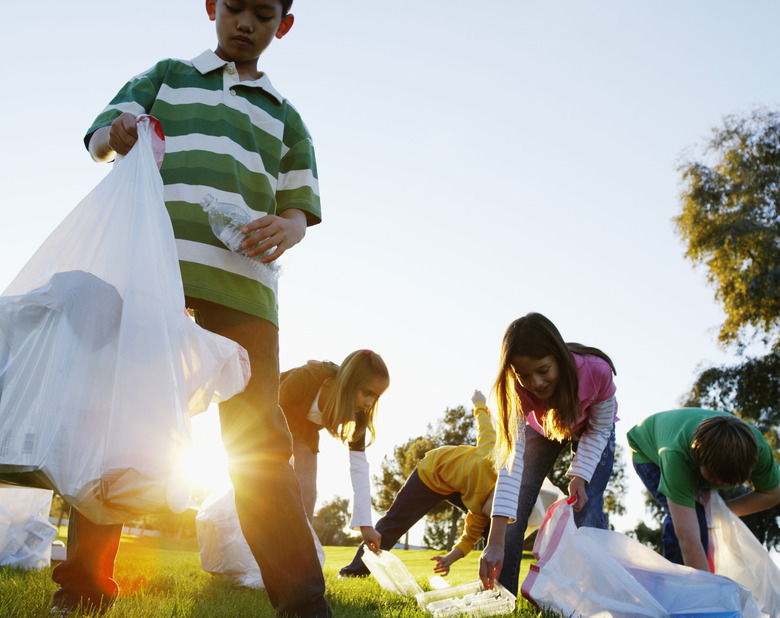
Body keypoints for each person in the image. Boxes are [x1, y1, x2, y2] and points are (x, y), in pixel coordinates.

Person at [52, 2, 333, 616]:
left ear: (282, 25)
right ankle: (84, 589)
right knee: (117, 425)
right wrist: (119, 134)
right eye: (234, 7)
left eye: (263, 14)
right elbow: (101, 136)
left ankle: (305, 607)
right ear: (212, 6)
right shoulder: (168, 76)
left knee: (259, 445)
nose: (245, 23)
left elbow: (296, 210)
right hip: (152, 275)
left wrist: (287, 228)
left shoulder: (287, 117)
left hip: (244, 292)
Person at [478, 312, 617, 596]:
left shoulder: (596, 370)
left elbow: (600, 429)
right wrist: (495, 541)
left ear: (559, 356)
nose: (536, 383)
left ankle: (593, 598)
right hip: (542, 428)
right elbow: (511, 462)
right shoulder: (515, 392)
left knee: (587, 508)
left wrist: (580, 474)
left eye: (543, 370)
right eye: (524, 375)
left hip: (591, 429)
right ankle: (500, 595)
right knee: (517, 500)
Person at [338, 390, 497, 578]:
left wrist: (449, 559)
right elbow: (485, 428)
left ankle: (494, 581)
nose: (492, 515)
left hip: (456, 487)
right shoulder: (491, 458)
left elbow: (469, 538)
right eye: (494, 510)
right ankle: (353, 572)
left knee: (494, 531)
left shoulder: (480, 512)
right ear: (498, 493)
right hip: (431, 473)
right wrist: (479, 403)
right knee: (396, 521)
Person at [627, 408, 780, 571]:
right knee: (696, 524)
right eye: (714, 477)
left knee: (703, 518)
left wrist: (720, 511)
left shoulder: (758, 450)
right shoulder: (676, 458)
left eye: (729, 481)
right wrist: (707, 591)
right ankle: (673, 585)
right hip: (647, 450)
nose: (719, 483)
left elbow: (772, 494)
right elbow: (688, 539)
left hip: (688, 445)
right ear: (698, 459)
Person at [279, 350, 389, 550]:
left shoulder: (360, 415)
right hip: (270, 423)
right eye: (366, 393)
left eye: (376, 397)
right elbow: (267, 408)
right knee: (269, 484)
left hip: (305, 434)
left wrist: (366, 525)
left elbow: (359, 466)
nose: (369, 403)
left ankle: (297, 555)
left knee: (307, 495)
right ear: (348, 383)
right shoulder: (307, 378)